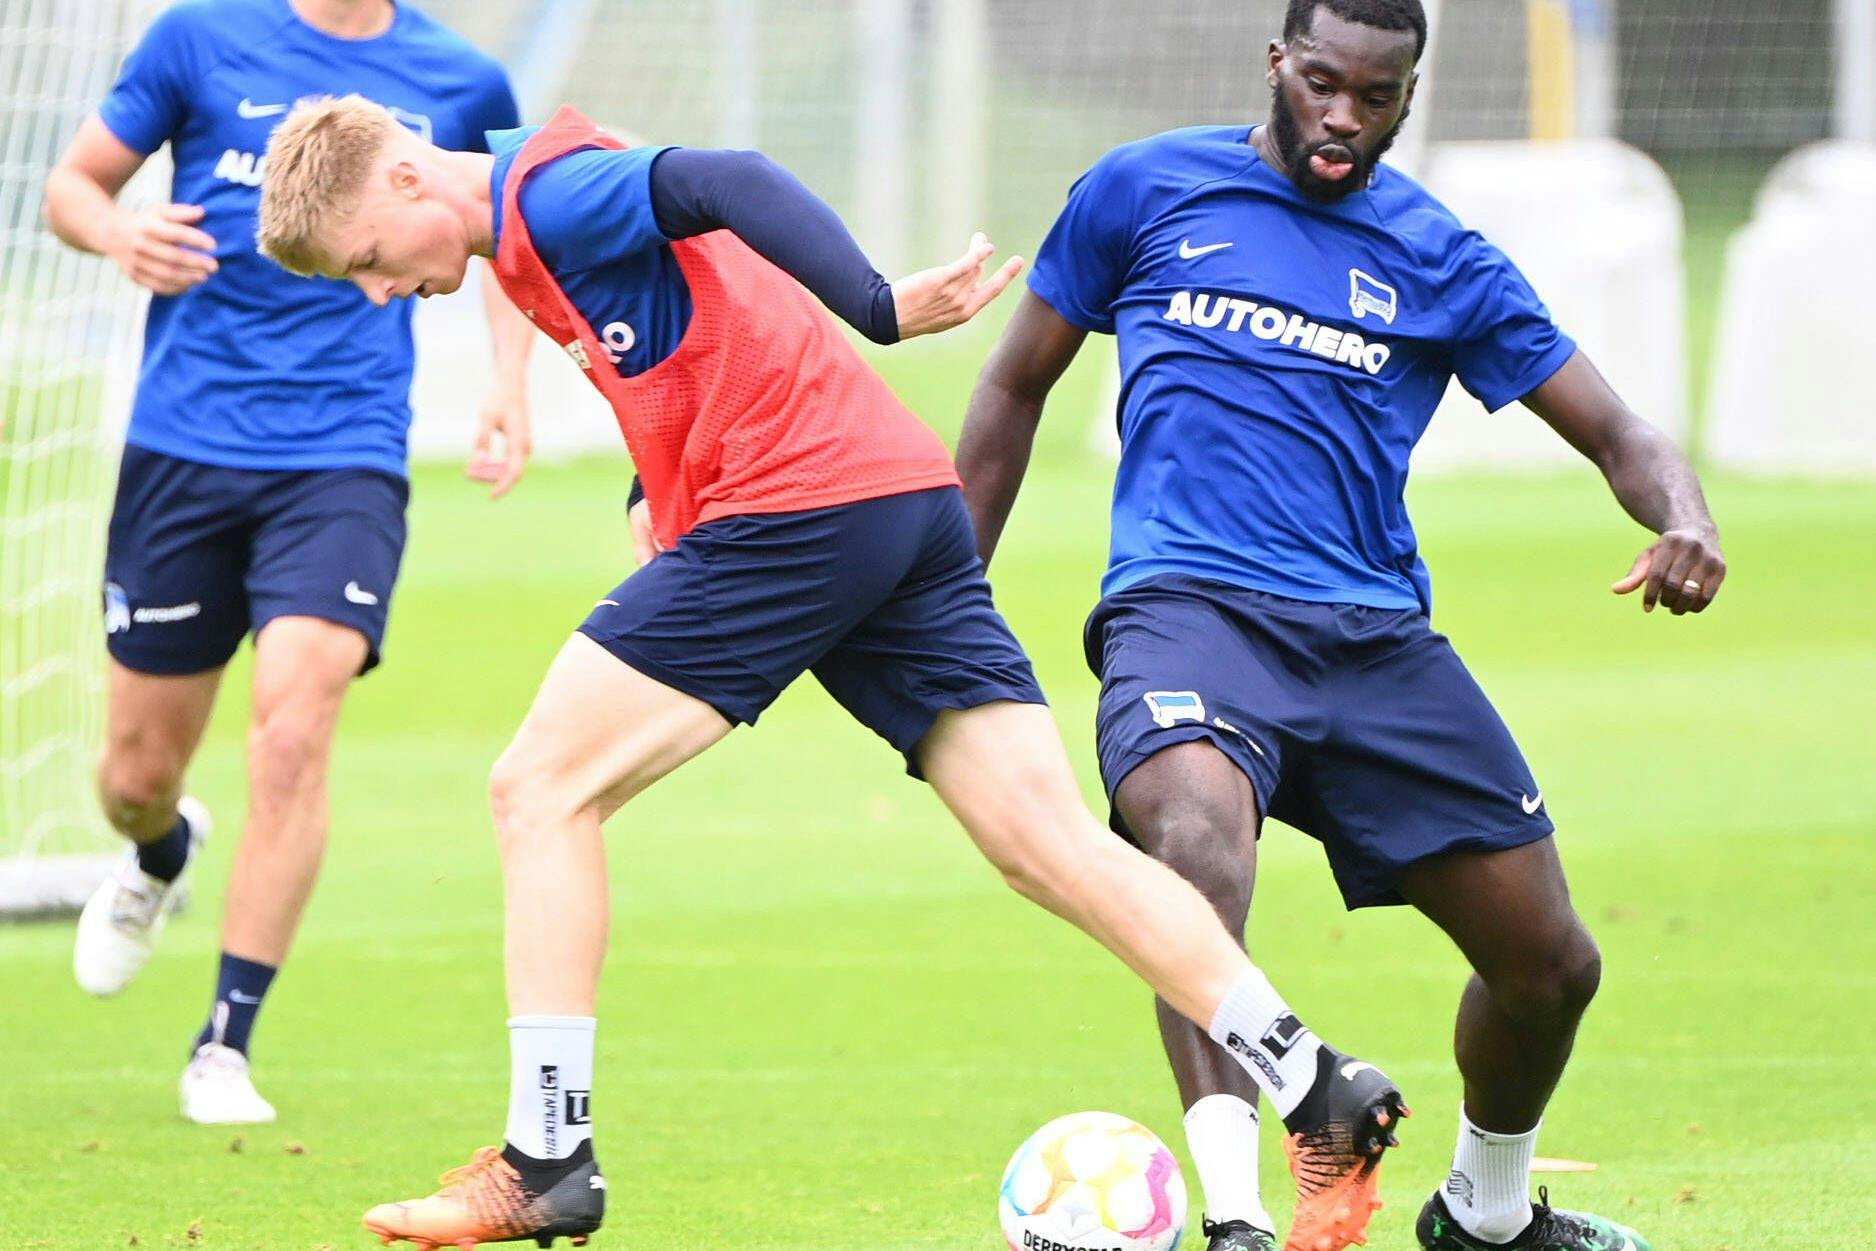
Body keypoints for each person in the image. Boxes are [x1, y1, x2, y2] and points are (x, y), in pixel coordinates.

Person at [256, 96, 1410, 1251]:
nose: (377, 286)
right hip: (895, 503)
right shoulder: (521, 232)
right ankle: (1316, 1086)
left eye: (363, 259)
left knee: (539, 787)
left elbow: (726, 176)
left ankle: (546, 1155)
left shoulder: (543, 194)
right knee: (1049, 849)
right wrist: (654, 501)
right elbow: (693, 333)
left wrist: (877, 304)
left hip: (801, 505)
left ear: (406, 181)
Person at [955, 3, 1723, 1250]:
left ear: (1407, 95)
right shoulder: (1143, 190)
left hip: (1370, 640)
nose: (1342, 120)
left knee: (1550, 968)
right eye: (1321, 84)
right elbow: (1011, 384)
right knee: (1195, 848)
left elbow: (1618, 432)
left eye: (1376, 98)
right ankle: (1243, 1217)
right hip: (1186, 611)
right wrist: (950, 599)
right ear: (1277, 63)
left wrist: (1684, 517)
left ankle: (1485, 1213)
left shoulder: (1436, 254)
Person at [43, 0, 533, 1125]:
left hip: (344, 456)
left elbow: (505, 230)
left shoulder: (458, 76)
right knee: (132, 779)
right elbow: (75, 186)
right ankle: (161, 854)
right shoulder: (196, 39)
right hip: (184, 448)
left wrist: (505, 381)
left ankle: (225, 1042)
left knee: (294, 728)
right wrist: (120, 236)